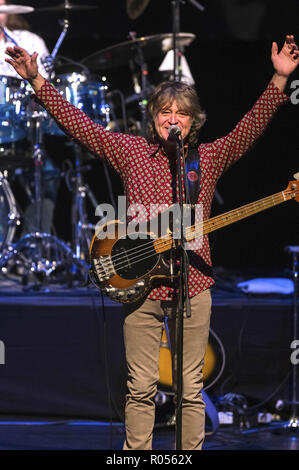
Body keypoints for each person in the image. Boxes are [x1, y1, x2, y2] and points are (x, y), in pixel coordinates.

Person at [5, 35, 299, 450]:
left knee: (190, 387)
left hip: (192, 286)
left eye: (181, 113)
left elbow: (248, 129)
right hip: (139, 286)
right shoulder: (131, 152)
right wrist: (37, 80)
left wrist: (279, 79)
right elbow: (80, 124)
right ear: (154, 118)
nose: (173, 119)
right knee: (140, 385)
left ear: (193, 121)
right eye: (165, 112)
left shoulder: (208, 158)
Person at [0, 0, 60, 238]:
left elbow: (46, 85)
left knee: (49, 175)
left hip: (24, 131)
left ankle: (33, 249)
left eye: (2, 5)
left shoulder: (29, 41)